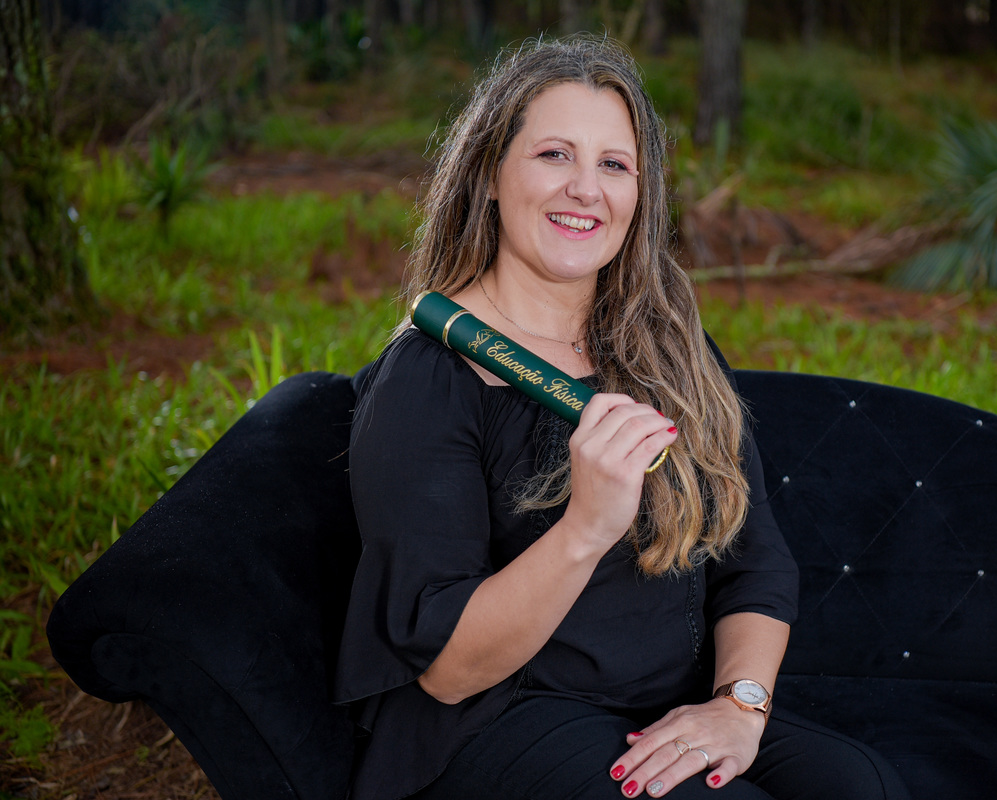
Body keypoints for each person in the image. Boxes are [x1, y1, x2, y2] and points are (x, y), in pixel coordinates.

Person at [334, 36, 910, 800]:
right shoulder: (429, 380)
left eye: (614, 164)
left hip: (664, 704)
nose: (585, 189)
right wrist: (587, 526)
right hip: (500, 721)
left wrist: (739, 708)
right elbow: (446, 671)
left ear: (641, 193)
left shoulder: (665, 345)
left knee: (866, 788)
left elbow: (754, 561)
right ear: (489, 174)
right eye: (554, 155)